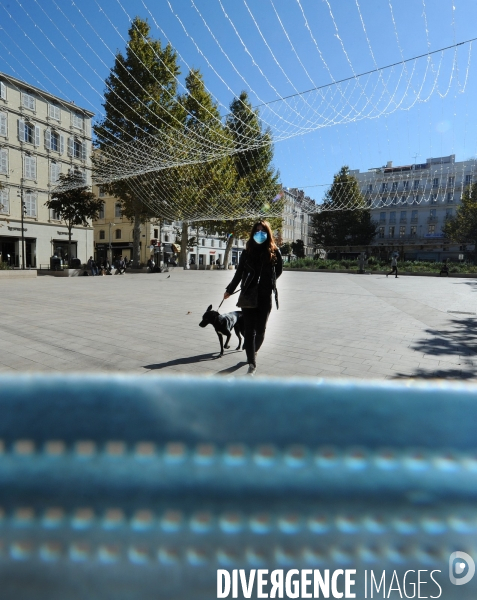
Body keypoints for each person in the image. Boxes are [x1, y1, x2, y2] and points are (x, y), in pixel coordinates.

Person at [223, 220, 282, 376]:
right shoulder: (247, 251)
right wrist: (229, 290)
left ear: (268, 233)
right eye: (257, 231)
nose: (259, 234)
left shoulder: (275, 252)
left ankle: (253, 351)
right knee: (249, 331)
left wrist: (268, 283)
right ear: (253, 233)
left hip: (264, 296)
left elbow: (279, 271)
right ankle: (252, 362)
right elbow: (239, 273)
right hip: (248, 295)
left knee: (260, 331)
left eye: (263, 231)